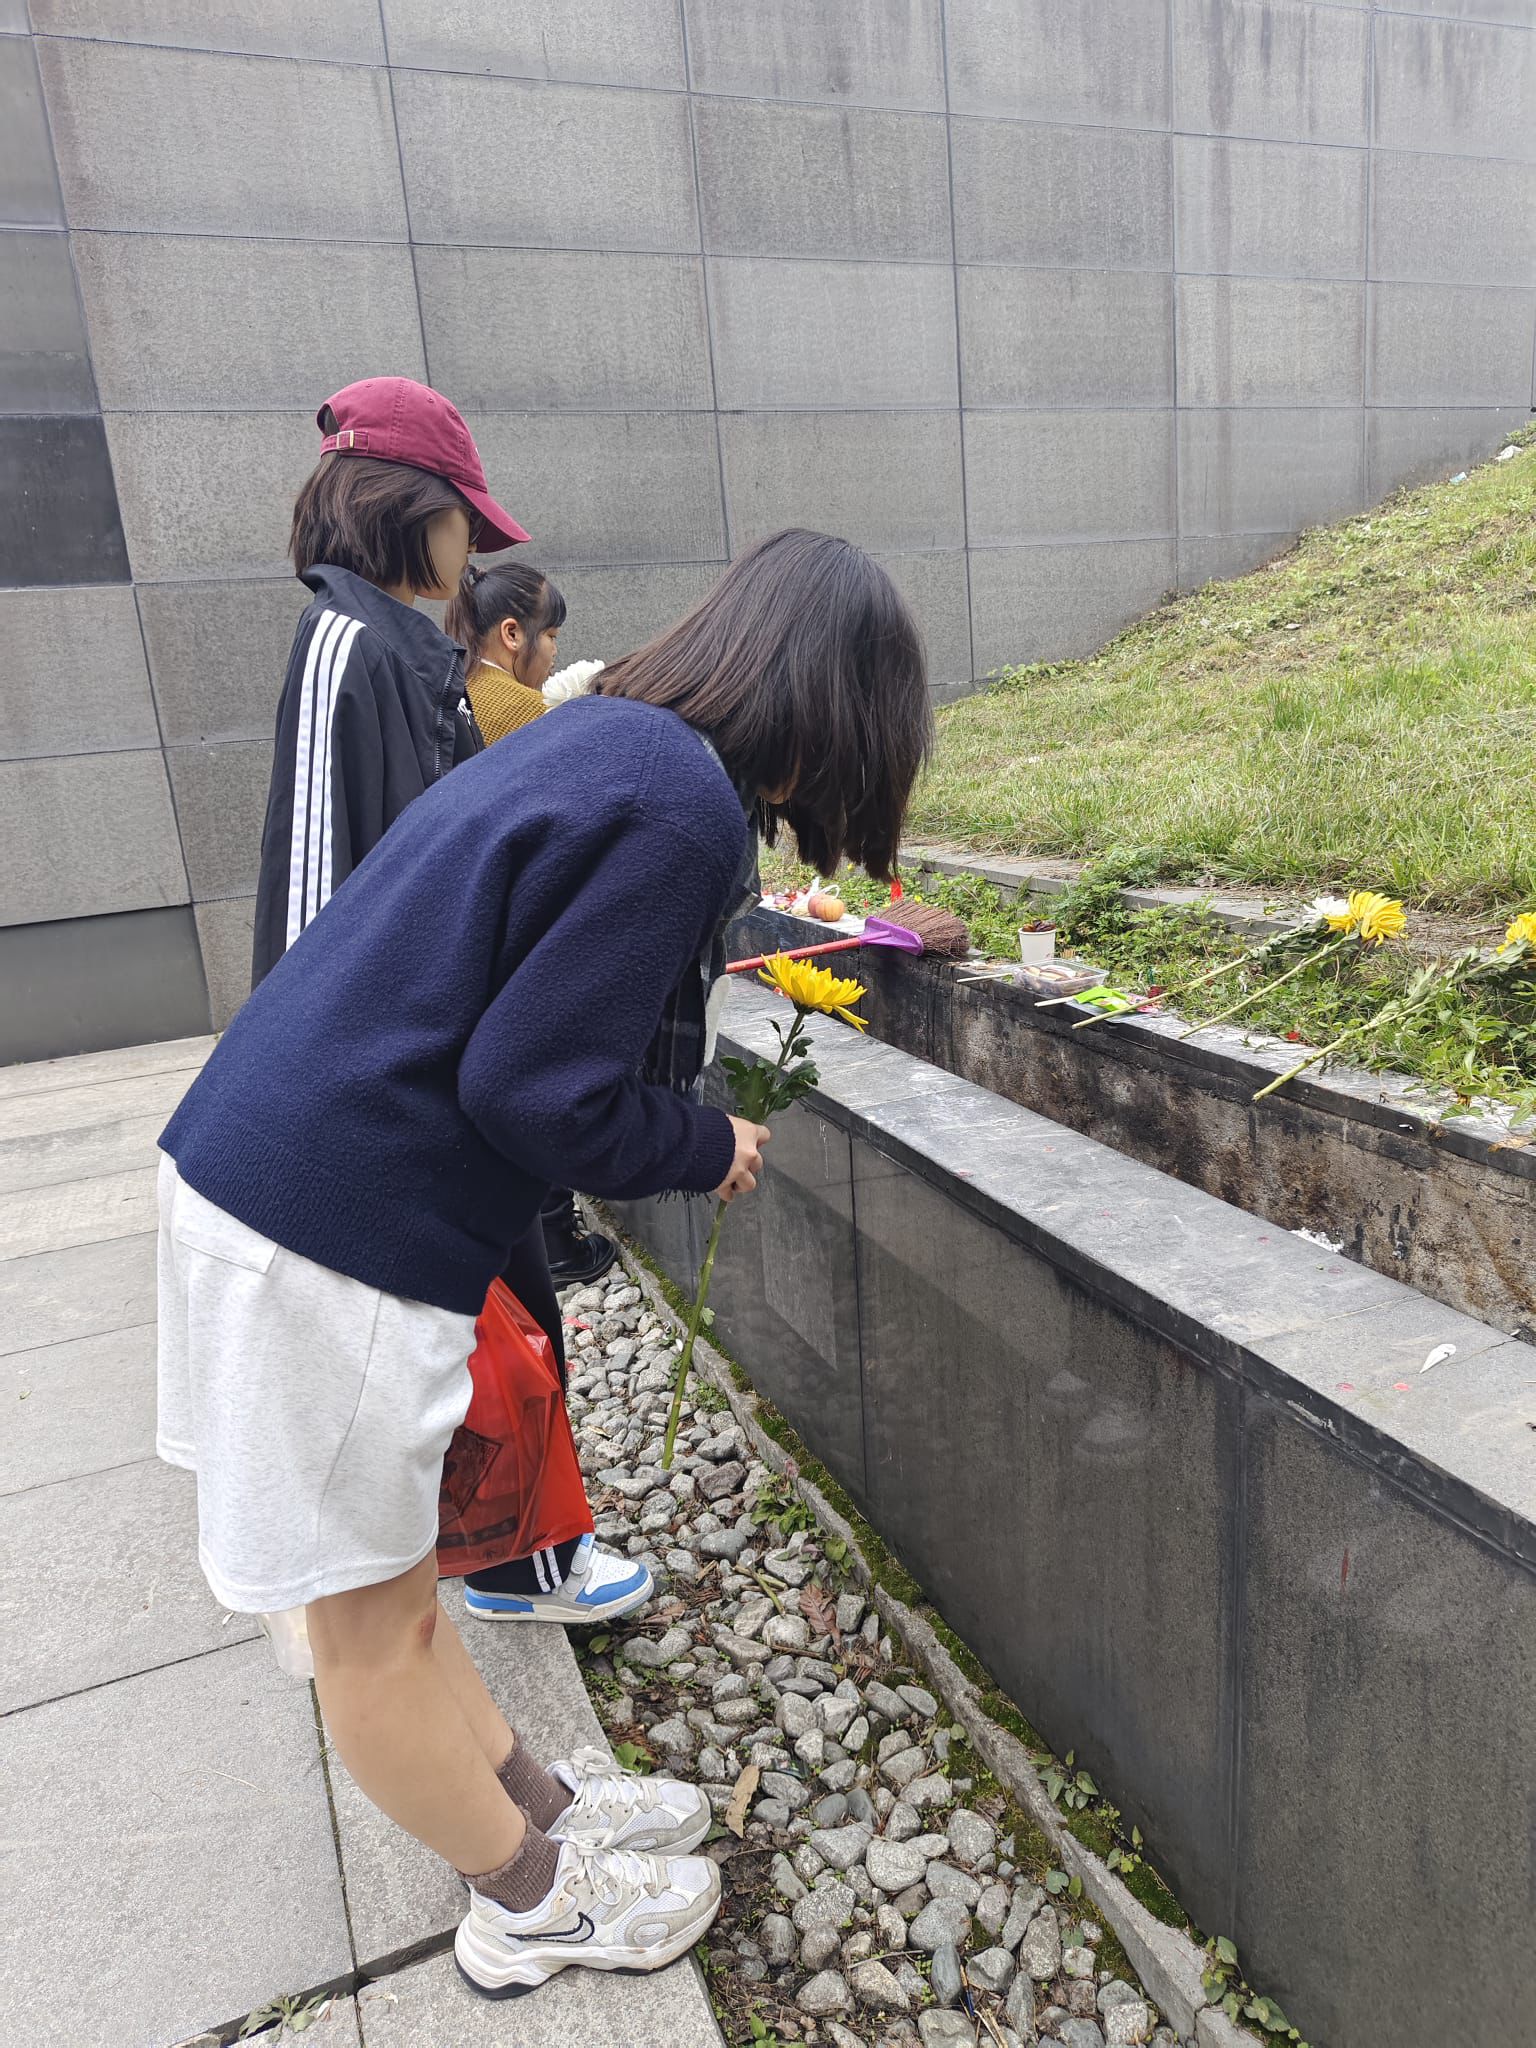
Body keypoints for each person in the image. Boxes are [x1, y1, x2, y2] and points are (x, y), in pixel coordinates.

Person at [155, 529, 931, 1998]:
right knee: (365, 1634)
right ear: (838, 711)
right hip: (326, 1229)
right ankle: (527, 1903)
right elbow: (536, 1090)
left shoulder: (617, 741)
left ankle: (538, 1808)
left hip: (292, 1181)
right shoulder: (682, 806)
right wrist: (703, 1141)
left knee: (398, 1594)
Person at [250, 375, 527, 989]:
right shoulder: (342, 641)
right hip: (371, 1027)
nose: (473, 543)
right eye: (468, 516)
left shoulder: (408, 655)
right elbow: (306, 901)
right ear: (407, 504)